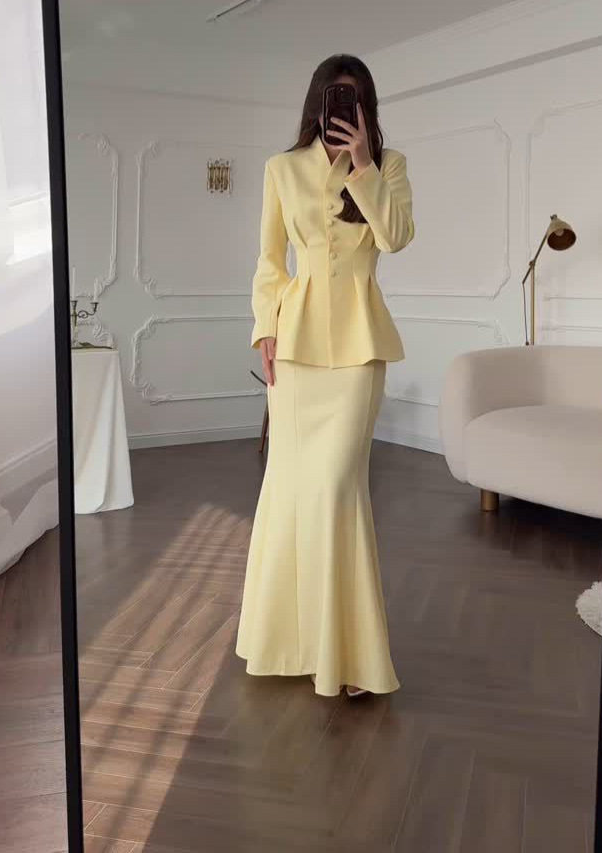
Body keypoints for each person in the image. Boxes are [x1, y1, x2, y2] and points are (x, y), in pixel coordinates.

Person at [235, 54, 414, 698]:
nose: (344, 105)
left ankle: (347, 656)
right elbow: (269, 260)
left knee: (338, 489)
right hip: (296, 346)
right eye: (335, 95)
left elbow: (395, 237)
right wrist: (265, 327)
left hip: (360, 349)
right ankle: (288, 644)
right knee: (288, 490)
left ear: (367, 106)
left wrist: (363, 164)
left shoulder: (389, 166)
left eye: (355, 96)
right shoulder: (280, 169)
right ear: (317, 101)